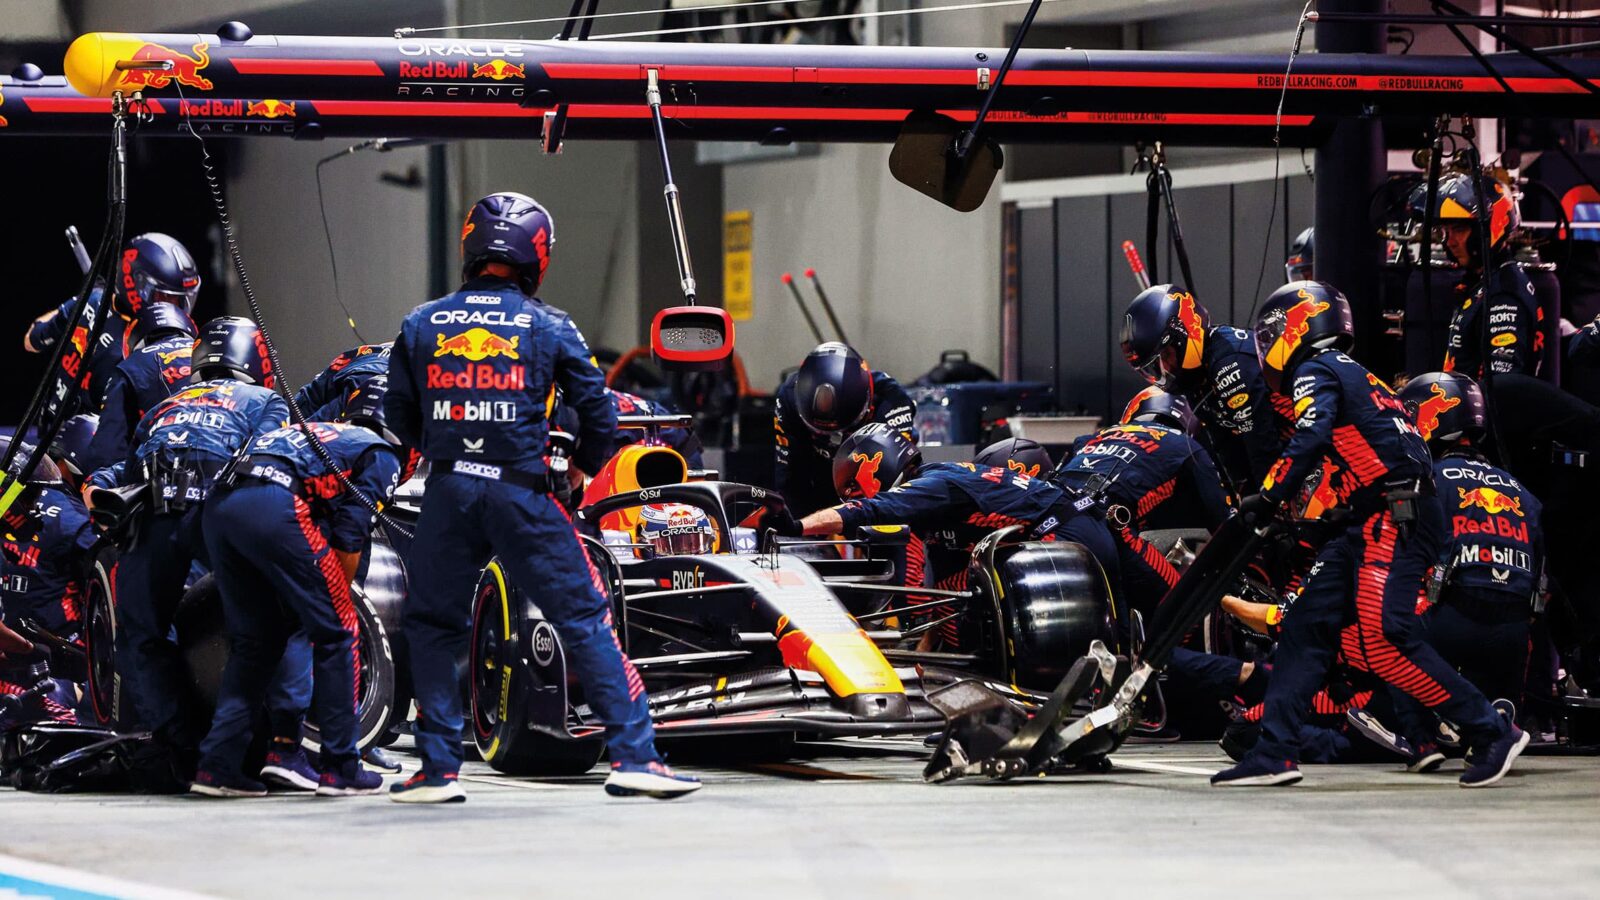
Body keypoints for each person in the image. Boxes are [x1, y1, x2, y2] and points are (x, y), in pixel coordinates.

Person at [384, 190, 699, 803]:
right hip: (522, 493)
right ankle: (635, 757)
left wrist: (449, 451)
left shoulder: (420, 322)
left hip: (447, 490)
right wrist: (579, 469)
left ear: (471, 246)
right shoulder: (550, 325)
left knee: (431, 625)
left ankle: (438, 770)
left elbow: (398, 415)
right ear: (537, 255)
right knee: (583, 617)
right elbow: (599, 414)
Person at [1211, 281, 1528, 788]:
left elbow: (1311, 438)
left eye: (1269, 333)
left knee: (1384, 640)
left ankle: (1492, 731)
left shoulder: (1315, 371)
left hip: (1393, 514)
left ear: (1295, 328)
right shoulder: (1354, 373)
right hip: (1377, 516)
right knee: (1305, 625)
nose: (1264, 344)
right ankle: (1274, 753)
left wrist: (1268, 495)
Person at [84, 317, 288, 772]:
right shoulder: (266, 400)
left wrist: (96, 489)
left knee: (141, 634)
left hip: (155, 519)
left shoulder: (164, 407)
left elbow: (121, 471)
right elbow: (275, 466)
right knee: (259, 625)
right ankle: (261, 744)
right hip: (219, 516)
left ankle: (178, 744)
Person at [191, 385, 403, 798]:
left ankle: (218, 767)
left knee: (256, 642)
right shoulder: (381, 453)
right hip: (275, 503)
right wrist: (329, 603)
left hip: (218, 508)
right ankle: (342, 766)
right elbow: (349, 534)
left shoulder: (319, 432)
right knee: (339, 630)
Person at [796, 425, 1124, 626]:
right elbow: (939, 594)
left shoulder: (931, 485)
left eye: (854, 487)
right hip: (1068, 533)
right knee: (956, 594)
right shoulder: (933, 495)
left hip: (1068, 535)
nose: (855, 496)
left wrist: (796, 527)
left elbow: (867, 510)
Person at [1399, 372, 1542, 721]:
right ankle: (1491, 713)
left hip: (1451, 622)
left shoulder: (1428, 480)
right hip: (1514, 636)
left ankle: (1413, 723)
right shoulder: (1524, 492)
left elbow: (1403, 553)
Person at [1057, 386, 1233, 612]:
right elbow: (1223, 519)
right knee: (1188, 608)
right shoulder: (1186, 446)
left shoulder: (1090, 438)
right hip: (1106, 527)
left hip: (1054, 514)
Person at [1120, 284, 1288, 491]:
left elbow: (1261, 441)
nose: (1165, 371)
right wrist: (1242, 495)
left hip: (1305, 448)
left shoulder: (1229, 362)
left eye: (1166, 357)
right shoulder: (1194, 377)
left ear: (1184, 335)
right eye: (1154, 368)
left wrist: (1267, 503)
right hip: (1281, 457)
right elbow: (1225, 444)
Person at [26, 233, 200, 417]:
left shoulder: (91, 302)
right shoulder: (140, 352)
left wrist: (79, 303)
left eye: (181, 301)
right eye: (165, 298)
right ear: (134, 284)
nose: (175, 310)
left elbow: (31, 340)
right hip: (87, 441)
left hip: (54, 427)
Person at [774, 342, 915, 515]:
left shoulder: (892, 401)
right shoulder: (788, 397)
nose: (833, 437)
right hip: (817, 477)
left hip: (870, 481)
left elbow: (895, 481)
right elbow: (789, 474)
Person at [1426, 173, 1542, 380]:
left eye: (1459, 230)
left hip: (1487, 411)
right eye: (1445, 231)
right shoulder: (1485, 280)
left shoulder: (1504, 294)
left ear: (1488, 228)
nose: (1450, 242)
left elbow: (1502, 383)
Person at [82, 300, 197, 473]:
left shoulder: (130, 367)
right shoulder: (208, 353)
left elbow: (107, 451)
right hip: (228, 455)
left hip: (175, 467)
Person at [293, 342, 393, 422]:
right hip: (302, 421)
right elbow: (315, 437)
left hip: (304, 407)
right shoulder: (373, 381)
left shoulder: (399, 348)